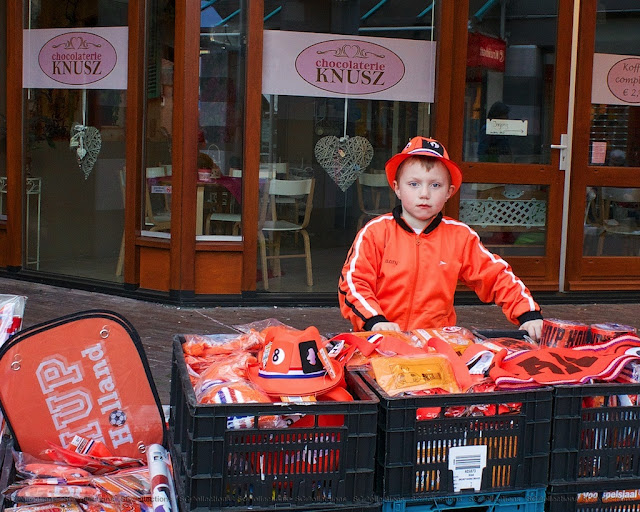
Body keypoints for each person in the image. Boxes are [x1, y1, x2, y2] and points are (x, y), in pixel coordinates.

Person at [338, 136, 544, 340]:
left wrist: (528, 314)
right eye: (414, 184)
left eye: (435, 185)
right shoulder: (375, 232)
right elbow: (353, 283)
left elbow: (496, 276)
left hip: (436, 342)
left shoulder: (460, 236)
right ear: (397, 188)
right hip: (381, 339)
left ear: (449, 192)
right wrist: (374, 320)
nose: (424, 193)